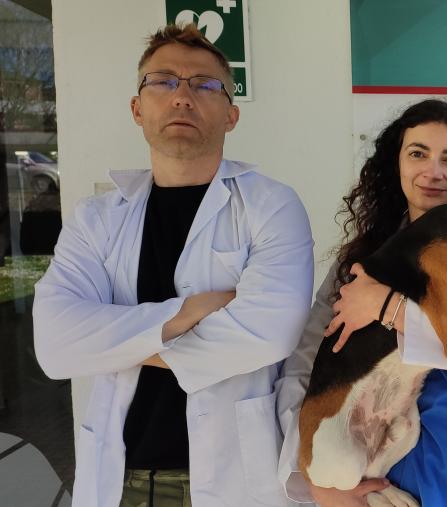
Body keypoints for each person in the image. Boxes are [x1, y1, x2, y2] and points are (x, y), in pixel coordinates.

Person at [32, 24, 313, 507]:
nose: (183, 96)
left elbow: (270, 332)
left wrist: (112, 342)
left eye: (205, 85)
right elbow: (56, 344)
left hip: (235, 478)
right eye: (163, 81)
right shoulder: (97, 220)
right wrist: (188, 312)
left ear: (231, 115)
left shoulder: (271, 207)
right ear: (137, 109)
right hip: (120, 475)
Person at [276, 99, 447, 507]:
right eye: (418, 153)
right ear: (396, 163)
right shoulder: (360, 259)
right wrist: (318, 477)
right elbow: (306, 363)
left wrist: (387, 308)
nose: (433, 172)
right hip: (388, 469)